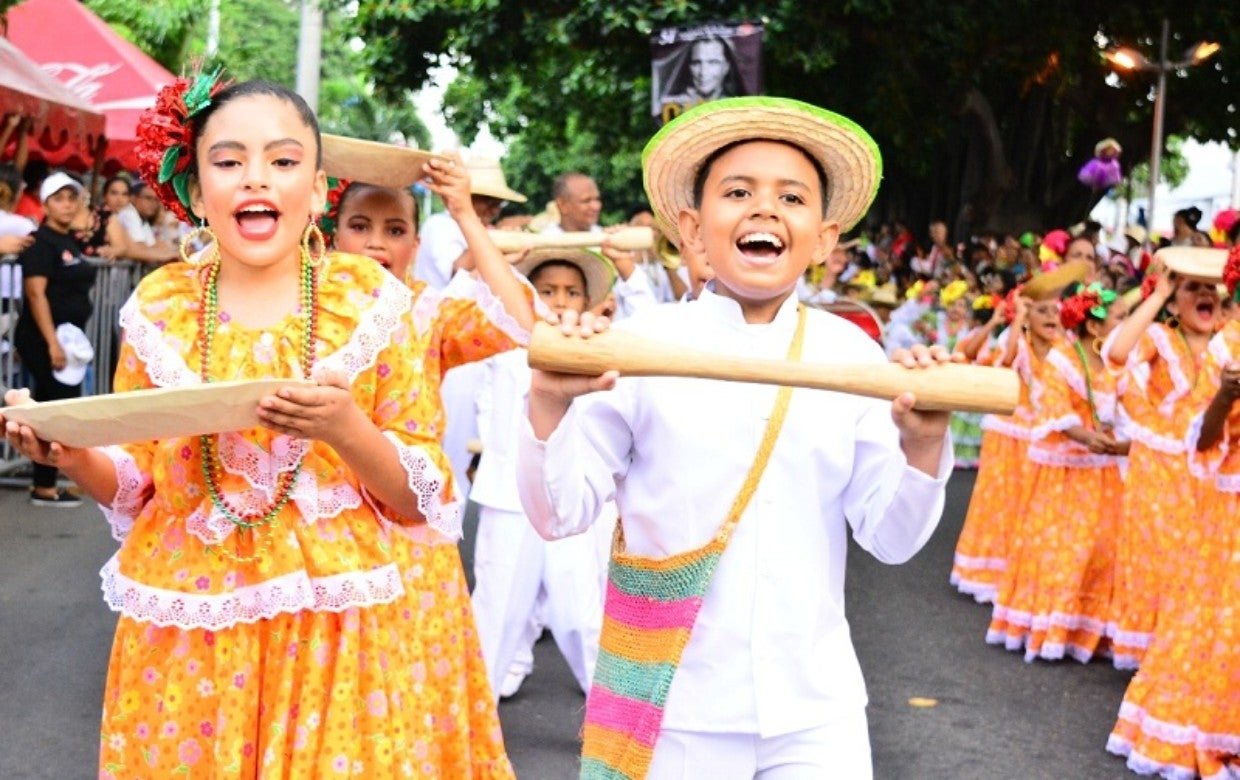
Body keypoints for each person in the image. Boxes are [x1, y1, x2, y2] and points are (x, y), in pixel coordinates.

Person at [1, 75, 513, 777]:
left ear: (318, 187)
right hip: (187, 634)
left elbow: (416, 500)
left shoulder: (370, 302)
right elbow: (136, 481)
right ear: (196, 188)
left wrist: (346, 428)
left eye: (283, 159)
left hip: (338, 633)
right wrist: (67, 451)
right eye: (229, 160)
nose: (255, 178)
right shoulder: (159, 308)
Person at [517, 97, 955, 779]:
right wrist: (550, 404)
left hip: (817, 713)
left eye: (792, 197)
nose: (765, 210)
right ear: (693, 230)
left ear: (824, 238)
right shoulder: (638, 349)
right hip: (672, 709)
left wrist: (922, 446)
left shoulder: (854, 358)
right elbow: (558, 514)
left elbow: (891, 539)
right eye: (739, 192)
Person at [331, 172, 539, 776]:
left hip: (410, 537)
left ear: (415, 245)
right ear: (332, 236)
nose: (377, 242)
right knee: (337, 711)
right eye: (360, 226)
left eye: (395, 229)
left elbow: (522, 321)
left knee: (409, 701)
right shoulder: (300, 311)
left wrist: (466, 214)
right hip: (321, 543)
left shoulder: (428, 311)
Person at [1108, 244, 1240, 777]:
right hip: (1166, 461)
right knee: (1175, 567)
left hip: (1212, 474)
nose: (1204, 295)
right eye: (1192, 288)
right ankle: (1168, 663)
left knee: (1204, 579)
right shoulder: (1164, 337)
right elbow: (1117, 352)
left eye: (1211, 288)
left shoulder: (1227, 338)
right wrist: (1158, 292)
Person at [470, 247, 614, 701]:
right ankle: (482, 703)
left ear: (588, 302)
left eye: (572, 292)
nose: (560, 300)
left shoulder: (596, 350)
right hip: (507, 494)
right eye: (548, 290)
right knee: (498, 606)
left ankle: (608, 704)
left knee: (579, 613)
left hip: (569, 499)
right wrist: (490, 456)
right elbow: (486, 403)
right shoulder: (503, 343)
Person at [987, 282, 1128, 663]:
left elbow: (1131, 414)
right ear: (1094, 327)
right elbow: (1055, 410)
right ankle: (1051, 628)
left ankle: (1088, 630)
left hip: (1104, 472)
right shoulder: (1062, 359)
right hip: (1064, 473)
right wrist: (1087, 437)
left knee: (1101, 550)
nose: (1128, 326)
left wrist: (1124, 443)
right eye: (1120, 318)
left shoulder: (1119, 365)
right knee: (1064, 550)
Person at [12, 170, 97, 507]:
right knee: (56, 410)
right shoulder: (41, 242)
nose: (67, 205)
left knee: (54, 408)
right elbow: (35, 294)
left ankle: (48, 481)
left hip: (66, 338)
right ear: (45, 205)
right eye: (58, 198)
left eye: (72, 198)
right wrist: (52, 344)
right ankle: (45, 486)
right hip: (44, 337)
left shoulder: (69, 240)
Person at [660, 36, 737, 111]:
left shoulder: (736, 106)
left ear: (726, 67)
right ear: (689, 66)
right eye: (696, 63)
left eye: (712, 62)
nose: (703, 72)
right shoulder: (673, 105)